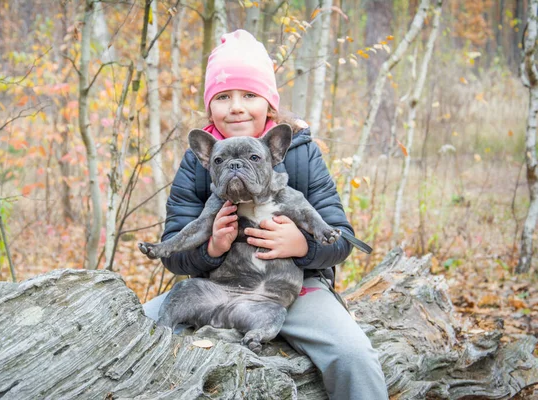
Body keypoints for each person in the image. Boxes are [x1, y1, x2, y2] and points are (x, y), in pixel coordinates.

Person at [142, 29, 388, 400]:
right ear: (210, 108)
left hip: (296, 287)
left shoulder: (302, 152)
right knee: (134, 327)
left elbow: (341, 238)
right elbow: (174, 251)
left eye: (249, 95)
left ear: (269, 104)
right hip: (216, 287)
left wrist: (301, 245)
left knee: (353, 355)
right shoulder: (197, 163)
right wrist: (210, 249)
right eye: (223, 96)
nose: (236, 106)